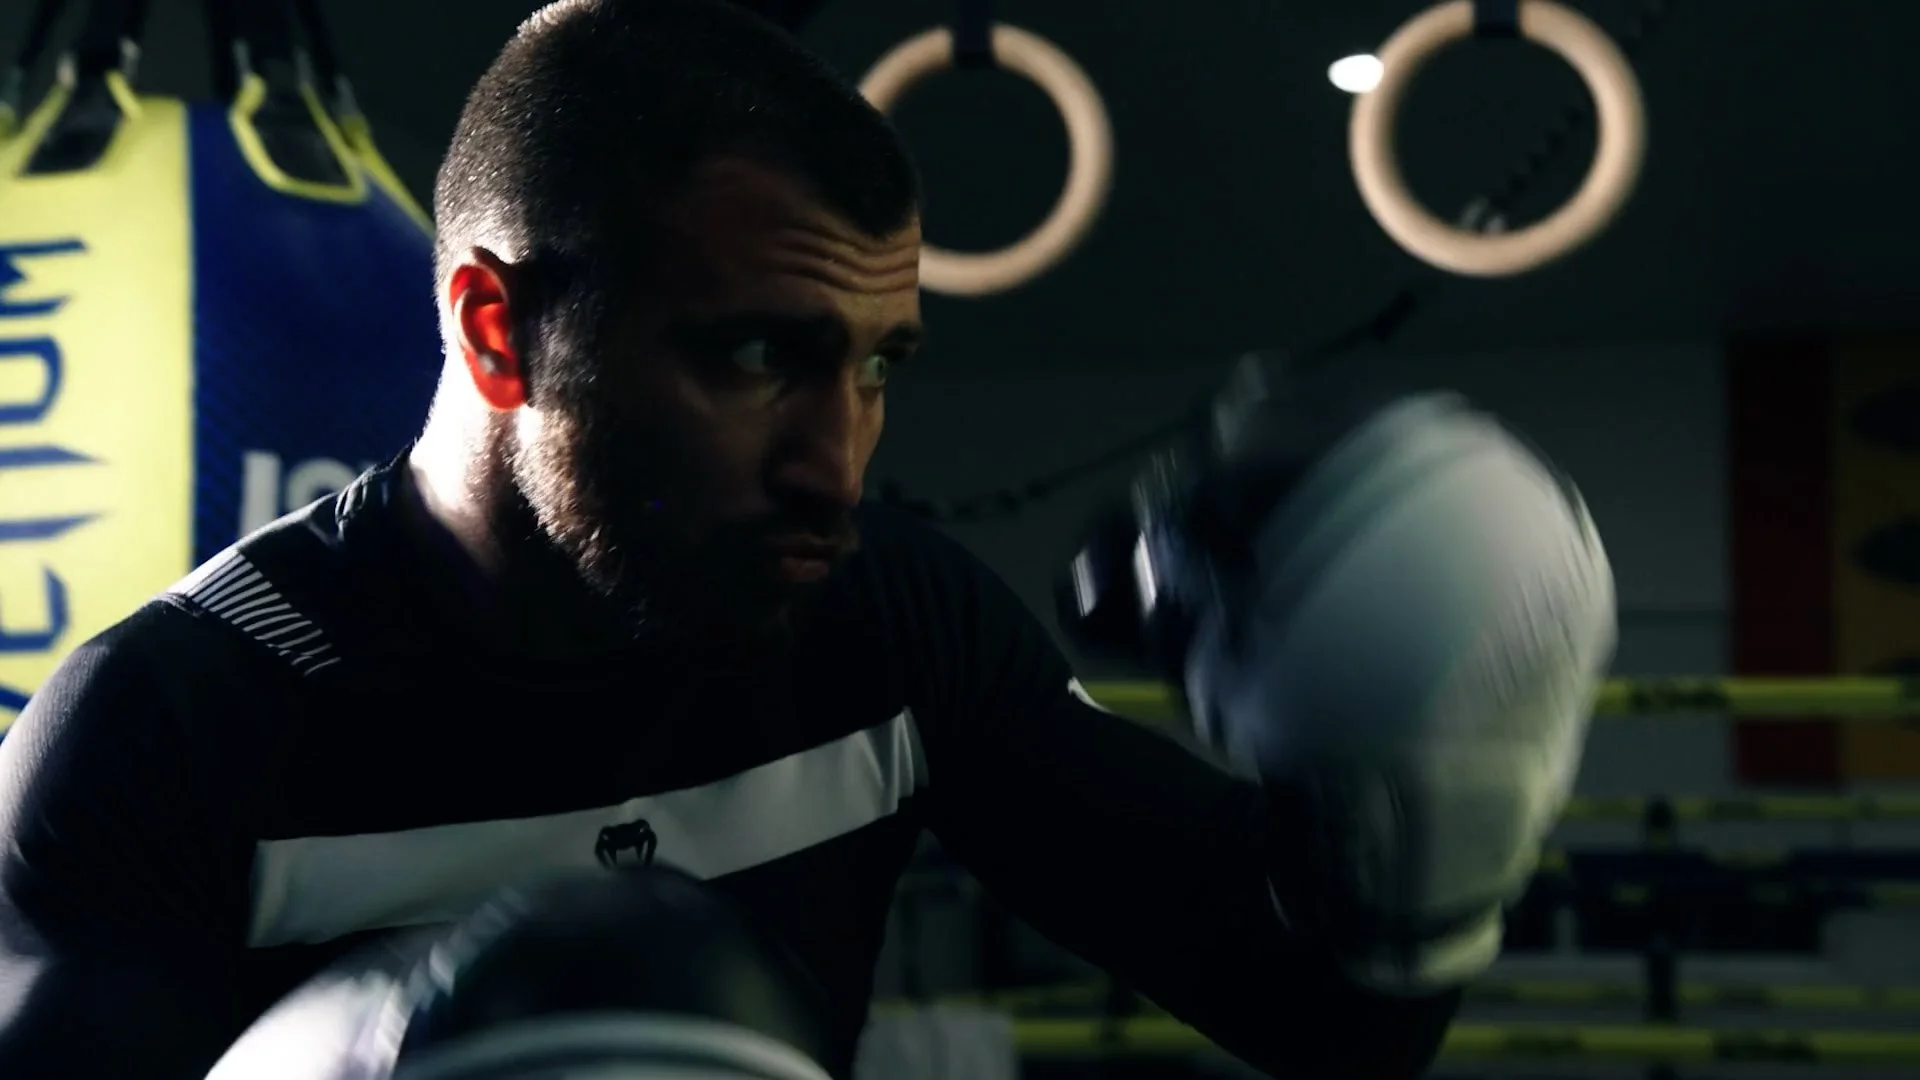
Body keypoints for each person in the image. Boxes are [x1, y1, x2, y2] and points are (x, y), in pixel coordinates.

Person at [0, 1, 1608, 1076]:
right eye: (756, 357)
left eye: (879, 367)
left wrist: (1427, 820)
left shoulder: (877, 625)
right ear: (498, 330)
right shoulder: (172, 732)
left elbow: (1327, 1022)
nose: (834, 465)